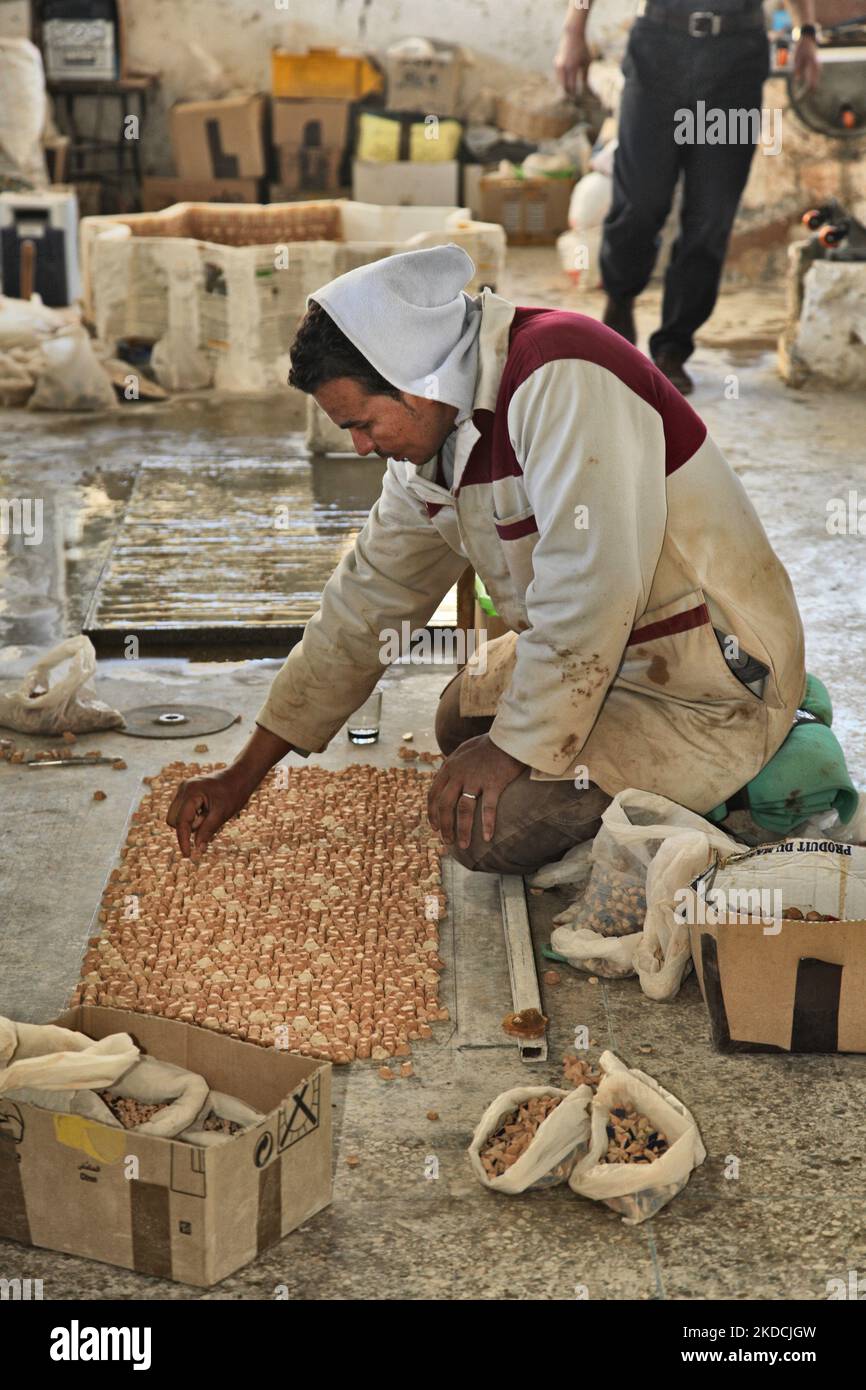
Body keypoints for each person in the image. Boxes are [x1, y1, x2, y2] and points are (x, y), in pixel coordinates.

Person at [168, 245, 806, 875]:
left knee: (489, 838)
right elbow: (362, 609)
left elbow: (593, 590)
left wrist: (509, 749)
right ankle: (573, 751)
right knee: (457, 718)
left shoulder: (562, 372)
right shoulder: (429, 447)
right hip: (609, 655)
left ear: (420, 383)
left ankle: (748, 777)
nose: (361, 447)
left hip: (703, 676)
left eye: (362, 424)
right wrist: (242, 774)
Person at [555, 0, 821, 393]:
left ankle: (673, 348)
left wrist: (806, 32)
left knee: (710, 216)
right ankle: (621, 300)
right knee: (640, 203)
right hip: (658, 52)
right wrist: (573, 32)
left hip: (735, 61)